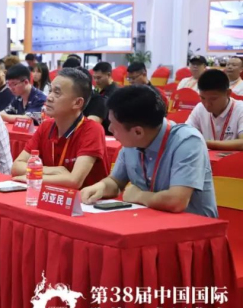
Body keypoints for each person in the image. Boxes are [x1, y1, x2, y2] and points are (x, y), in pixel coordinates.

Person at [80, 86, 217, 218]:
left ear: (138, 132)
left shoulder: (187, 142)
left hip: (191, 227)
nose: (109, 129)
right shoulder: (131, 142)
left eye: (113, 126)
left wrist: (139, 196)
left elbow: (177, 201)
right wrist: (101, 187)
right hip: (148, 220)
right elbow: (116, 182)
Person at [11, 68, 109, 188]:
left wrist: (31, 177)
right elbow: (16, 166)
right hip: (51, 195)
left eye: (57, 93)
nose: (49, 97)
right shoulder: (45, 126)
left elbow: (74, 181)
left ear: (77, 103)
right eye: (50, 91)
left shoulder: (92, 129)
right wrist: (54, 170)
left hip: (82, 198)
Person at [186, 69, 243, 150]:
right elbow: (186, 134)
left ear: (228, 93)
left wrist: (206, 143)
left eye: (213, 99)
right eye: (202, 98)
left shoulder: (240, 109)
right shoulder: (200, 108)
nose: (207, 104)